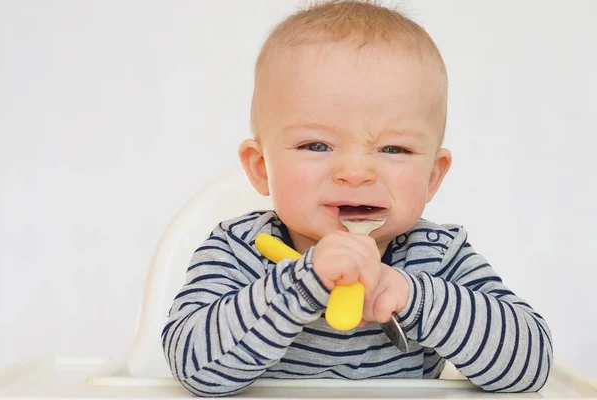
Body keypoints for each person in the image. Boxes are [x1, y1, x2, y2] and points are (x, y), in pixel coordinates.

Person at [162, 1, 553, 396]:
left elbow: (532, 365)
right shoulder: (239, 251)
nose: (356, 172)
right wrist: (303, 283)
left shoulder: (438, 257)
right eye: (316, 144)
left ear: (432, 177)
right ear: (262, 167)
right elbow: (195, 368)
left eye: (393, 149)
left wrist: (409, 294)